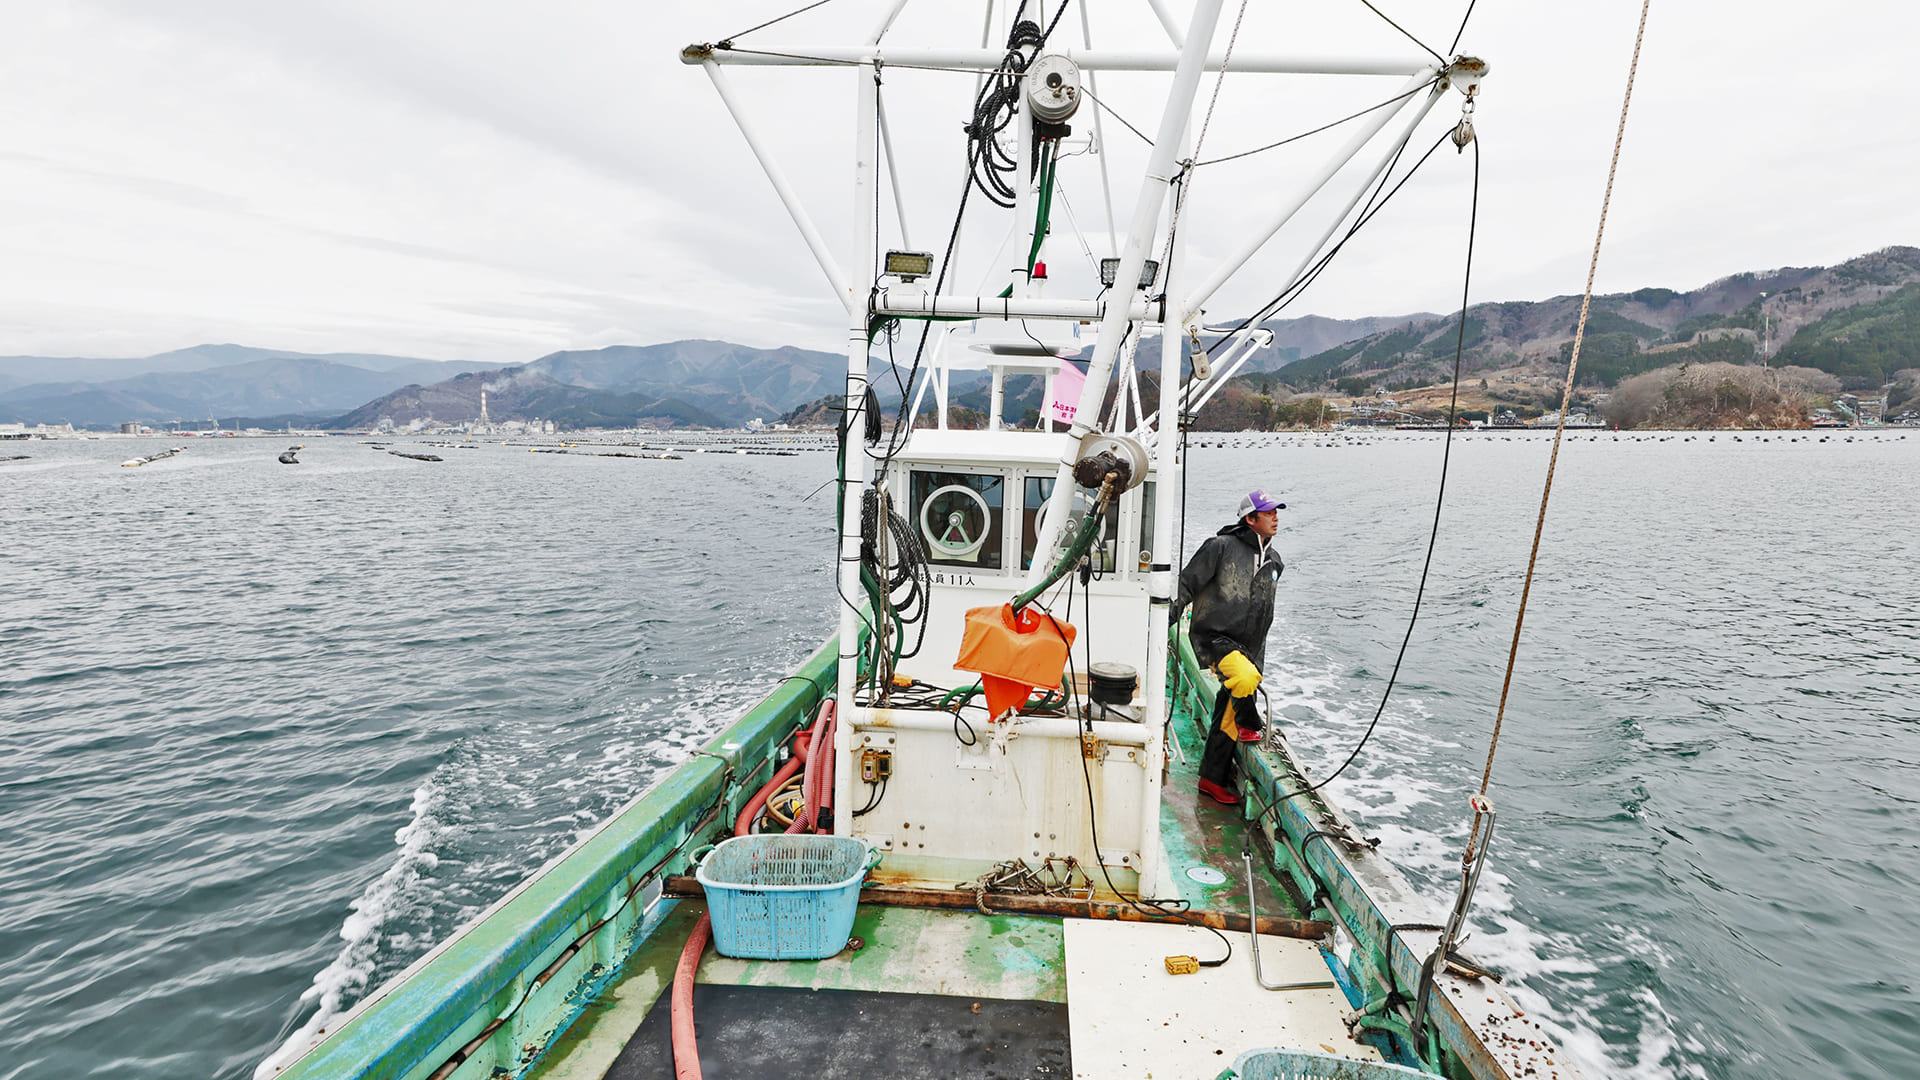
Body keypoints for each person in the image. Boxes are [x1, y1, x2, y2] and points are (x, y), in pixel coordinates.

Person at [1173, 488, 1285, 805]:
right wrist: (1172, 611)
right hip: (1214, 638)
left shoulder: (1274, 560)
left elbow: (1263, 607)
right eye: (1269, 512)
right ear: (1250, 519)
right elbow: (1188, 581)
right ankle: (1253, 724)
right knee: (1246, 681)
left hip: (1249, 647)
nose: (1276, 517)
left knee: (1227, 713)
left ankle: (1212, 779)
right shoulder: (1220, 547)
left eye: (1277, 512)